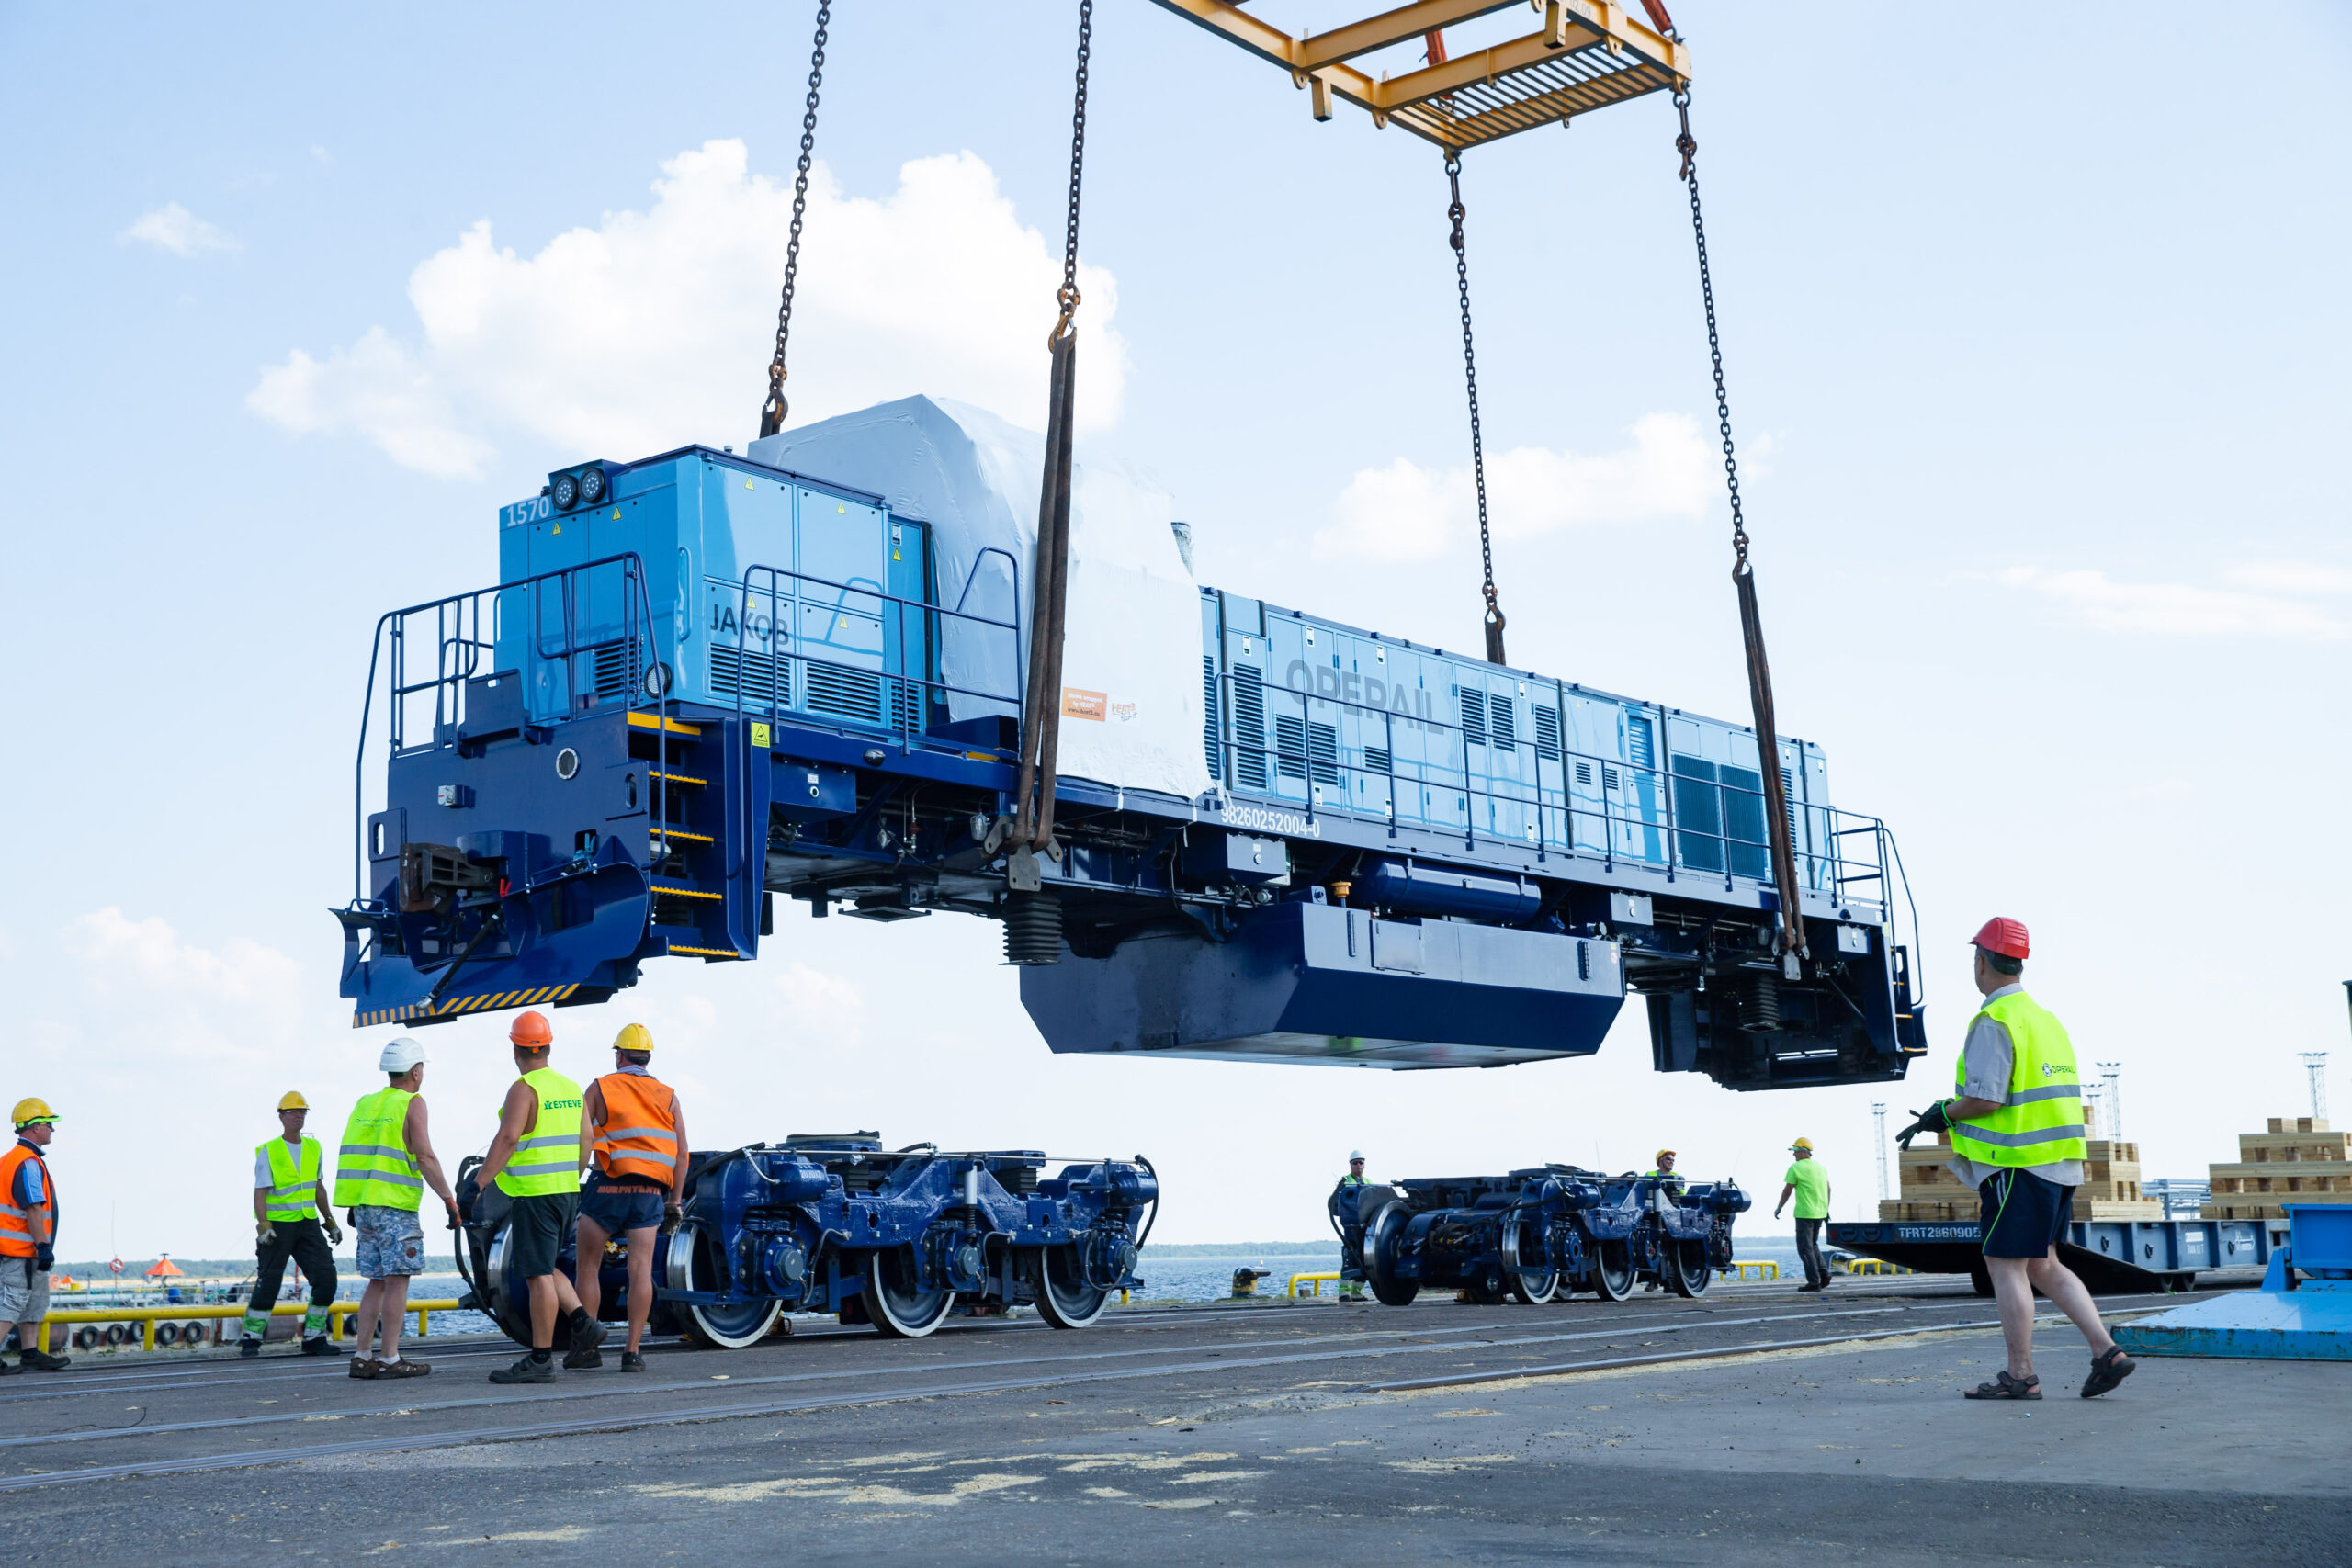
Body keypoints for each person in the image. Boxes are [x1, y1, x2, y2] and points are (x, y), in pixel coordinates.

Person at [1898, 918, 2134, 1400]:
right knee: (2043, 1264)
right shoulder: (2047, 1020)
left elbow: (1986, 1100)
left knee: (2003, 1264)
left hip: (2017, 1164)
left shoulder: (1995, 1020)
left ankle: (2020, 1375)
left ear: (1980, 962)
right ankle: (2107, 1352)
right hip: (2059, 1162)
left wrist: (1940, 1114)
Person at [478, 1010, 605, 1383]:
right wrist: (572, 1175)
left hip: (535, 1195)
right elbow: (587, 1141)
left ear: (516, 1049)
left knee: (536, 1276)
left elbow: (508, 1138)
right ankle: (583, 1323)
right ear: (547, 1046)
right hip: (566, 1192)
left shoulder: (524, 1088)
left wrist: (481, 1182)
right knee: (549, 1268)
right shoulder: (569, 1088)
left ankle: (540, 1359)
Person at [334, 1037, 460, 1381]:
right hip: (394, 1206)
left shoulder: (365, 1103)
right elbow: (425, 1155)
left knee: (376, 1281)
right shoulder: (412, 1103)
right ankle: (390, 1357)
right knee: (397, 1280)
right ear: (416, 1072)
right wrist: (449, 1199)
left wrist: (355, 1200)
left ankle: (362, 1356)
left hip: (363, 1206)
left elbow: (354, 1152)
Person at [573, 1022, 688, 1372]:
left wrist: (572, 1181)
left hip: (606, 1187)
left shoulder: (600, 1087)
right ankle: (632, 1352)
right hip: (648, 1193)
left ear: (619, 1055)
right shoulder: (668, 1095)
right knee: (639, 1270)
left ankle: (588, 1349)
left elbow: (581, 1140)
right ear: (648, 1058)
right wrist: (675, 1201)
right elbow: (682, 1153)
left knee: (588, 1268)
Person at [240, 1091, 343, 1358]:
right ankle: (251, 1338)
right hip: (279, 1226)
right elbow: (260, 1192)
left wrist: (329, 1221)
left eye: (303, 1112)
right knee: (269, 1282)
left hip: (307, 1223)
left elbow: (318, 1187)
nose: (299, 1116)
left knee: (326, 1278)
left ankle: (313, 1337)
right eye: (293, 1112)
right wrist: (264, 1226)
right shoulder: (269, 1151)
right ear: (281, 1116)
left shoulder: (314, 1148)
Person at [0, 1100, 69, 1371]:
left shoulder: (9, 1160)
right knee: (11, 1304)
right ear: (36, 1127)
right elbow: (33, 1207)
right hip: (22, 1251)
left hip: (21, 1251)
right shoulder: (27, 1162)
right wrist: (42, 1245)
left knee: (33, 1303)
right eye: (48, 1124)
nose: (52, 1129)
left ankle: (30, 1353)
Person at [1775, 1137, 1833, 1291]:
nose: (1793, 1155)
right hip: (1820, 1212)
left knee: (1804, 1248)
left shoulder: (1796, 1168)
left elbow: (1788, 1190)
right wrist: (1826, 1208)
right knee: (1813, 1245)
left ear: (1803, 1152)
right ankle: (1824, 1273)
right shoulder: (1821, 1168)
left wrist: (1779, 1207)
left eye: (1795, 1151)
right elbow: (1829, 1189)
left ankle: (1814, 1283)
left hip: (1805, 1213)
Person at [1329, 1152, 1369, 1301]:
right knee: (1350, 1257)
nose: (1358, 1165)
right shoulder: (1345, 1182)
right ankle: (1344, 1293)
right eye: (1355, 1163)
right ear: (1350, 1165)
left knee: (1365, 1260)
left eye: (1361, 1162)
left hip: (1366, 1227)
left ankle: (1357, 1293)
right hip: (1351, 1227)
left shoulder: (1368, 1181)